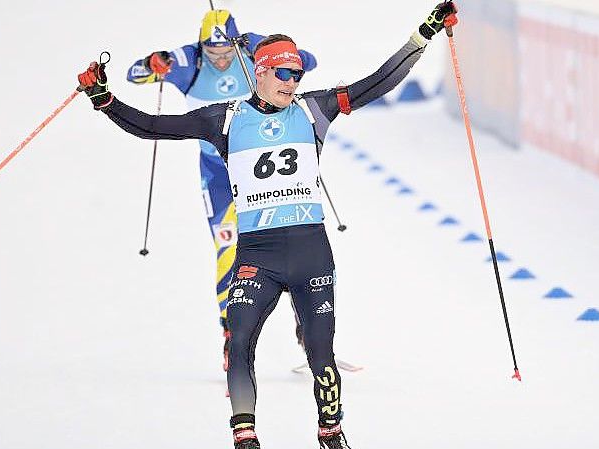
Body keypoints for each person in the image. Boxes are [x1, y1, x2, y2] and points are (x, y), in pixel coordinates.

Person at [77, 2, 458, 448]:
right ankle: (245, 438)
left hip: (311, 253)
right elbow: (154, 126)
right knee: (237, 342)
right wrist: (104, 100)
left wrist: (423, 34)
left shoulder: (315, 108)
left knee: (322, 355)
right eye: (283, 74)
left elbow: (378, 82)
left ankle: (330, 434)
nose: (292, 83)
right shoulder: (223, 118)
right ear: (259, 71)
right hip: (258, 256)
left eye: (297, 75)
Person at [127, 9, 317, 371]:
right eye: (213, 53)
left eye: (226, 53)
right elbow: (134, 74)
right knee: (228, 249)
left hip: (260, 172)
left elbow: (307, 60)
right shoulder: (188, 61)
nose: (221, 59)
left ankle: (308, 334)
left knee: (289, 243)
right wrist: (154, 64)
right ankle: (231, 335)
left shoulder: (252, 51)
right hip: (217, 174)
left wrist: (261, 48)